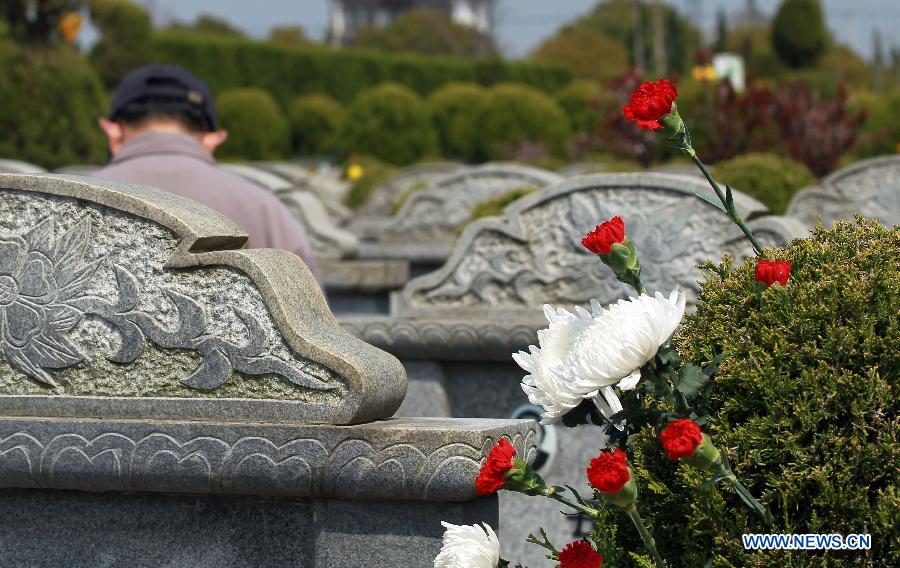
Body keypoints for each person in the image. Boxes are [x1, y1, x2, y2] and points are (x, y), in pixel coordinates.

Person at [92, 64, 320, 279]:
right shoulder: (265, 209)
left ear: (113, 132)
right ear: (212, 139)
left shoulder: (67, 199)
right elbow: (314, 315)